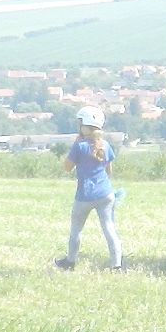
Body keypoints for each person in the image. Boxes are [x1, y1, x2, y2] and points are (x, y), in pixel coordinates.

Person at [54, 106, 122, 271]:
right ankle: (116, 265)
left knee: (76, 230)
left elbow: (67, 167)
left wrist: (75, 146)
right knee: (109, 228)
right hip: (106, 193)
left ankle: (70, 261)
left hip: (85, 195)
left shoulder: (80, 146)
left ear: (86, 125)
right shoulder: (105, 145)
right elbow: (109, 170)